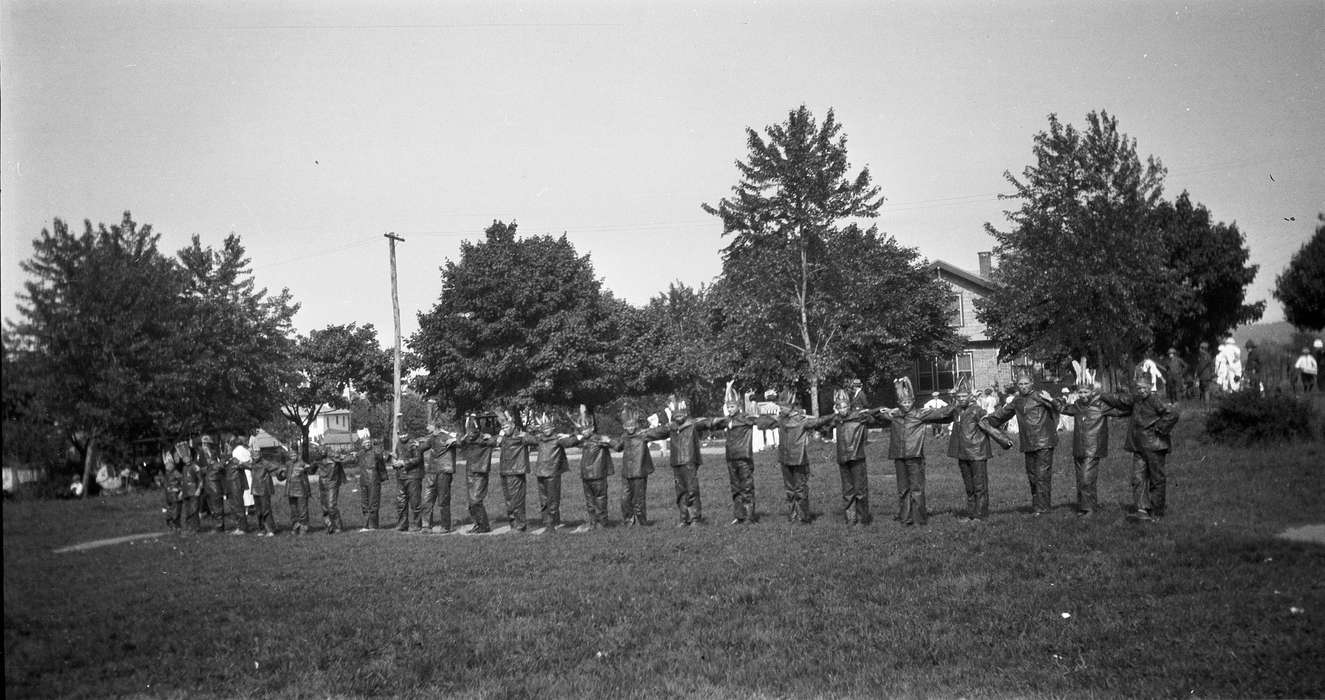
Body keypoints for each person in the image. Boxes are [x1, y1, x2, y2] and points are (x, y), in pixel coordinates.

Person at [1100, 374, 1181, 521]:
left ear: (1150, 387)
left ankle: (1157, 511)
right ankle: (1142, 509)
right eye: (1139, 388)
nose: (1141, 390)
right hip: (1138, 446)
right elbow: (1119, 400)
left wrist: (1160, 428)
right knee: (1138, 478)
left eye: (1144, 388)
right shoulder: (1136, 399)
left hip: (1155, 446)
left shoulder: (1155, 400)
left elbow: (1173, 413)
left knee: (1157, 479)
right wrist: (1101, 395)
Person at [876, 377, 952, 526]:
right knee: (903, 489)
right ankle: (905, 517)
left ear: (913, 401)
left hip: (915, 456)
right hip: (899, 456)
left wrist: (958, 403)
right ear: (899, 403)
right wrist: (890, 410)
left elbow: (942, 413)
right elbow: (877, 415)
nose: (906, 405)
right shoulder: (895, 415)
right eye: (903, 402)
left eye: (909, 402)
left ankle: (919, 518)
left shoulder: (919, 414)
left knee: (917, 488)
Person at [987, 366, 1061, 517]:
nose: (1023, 386)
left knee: (1042, 476)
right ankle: (1037, 506)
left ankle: (1043, 509)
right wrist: (984, 420)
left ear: (1032, 383)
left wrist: (1052, 400)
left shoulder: (1040, 396)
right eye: (1020, 384)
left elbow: (1059, 407)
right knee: (1032, 476)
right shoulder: (1017, 400)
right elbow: (1002, 414)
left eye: (1026, 383)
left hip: (1044, 442)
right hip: (1028, 443)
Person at [937, 377, 1012, 522]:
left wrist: (1003, 440)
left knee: (979, 486)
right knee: (969, 486)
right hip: (962, 453)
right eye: (958, 396)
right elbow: (940, 414)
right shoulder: (956, 410)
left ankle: (980, 515)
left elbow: (987, 426)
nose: (961, 399)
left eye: (964, 396)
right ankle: (971, 513)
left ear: (970, 396)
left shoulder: (977, 411)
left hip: (977, 452)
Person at [763, 390, 833, 524]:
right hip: (785, 459)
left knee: (800, 489)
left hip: (799, 459)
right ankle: (793, 515)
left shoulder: (801, 420)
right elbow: (763, 422)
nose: (781, 409)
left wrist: (833, 416)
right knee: (789, 490)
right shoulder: (781, 420)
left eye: (783, 407)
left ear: (790, 407)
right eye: (780, 407)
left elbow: (818, 422)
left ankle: (803, 517)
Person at [1059, 364, 1120, 517]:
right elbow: (1064, 408)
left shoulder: (1101, 405)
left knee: (1087, 479)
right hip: (1079, 447)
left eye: (1086, 391)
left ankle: (1089, 509)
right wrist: (1049, 400)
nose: (1083, 395)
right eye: (1080, 392)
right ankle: (1084, 506)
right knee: (1081, 479)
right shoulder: (1078, 405)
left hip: (1093, 448)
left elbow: (1121, 409)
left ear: (1092, 391)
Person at [644, 397, 714, 527]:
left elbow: (709, 422)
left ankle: (695, 518)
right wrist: (639, 435)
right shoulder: (671, 427)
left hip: (689, 461)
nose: (679, 417)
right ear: (673, 416)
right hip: (677, 462)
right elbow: (655, 433)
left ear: (686, 414)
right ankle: (684, 518)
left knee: (692, 489)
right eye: (676, 415)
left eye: (681, 414)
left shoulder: (692, 424)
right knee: (680, 491)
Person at [707, 382, 761, 525]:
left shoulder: (744, 418)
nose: (730, 409)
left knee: (746, 487)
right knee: (735, 488)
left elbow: (760, 420)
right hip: (731, 459)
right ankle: (739, 515)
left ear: (738, 406)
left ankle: (749, 516)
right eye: (728, 407)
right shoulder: (727, 421)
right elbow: (711, 423)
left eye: (732, 406)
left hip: (744, 459)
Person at [530, 414, 582, 532]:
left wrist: (571, 435)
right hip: (540, 473)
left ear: (552, 428)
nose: (546, 430)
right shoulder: (540, 439)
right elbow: (527, 438)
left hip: (552, 473)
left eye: (548, 428)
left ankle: (551, 525)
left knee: (552, 500)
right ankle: (548, 522)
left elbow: (572, 442)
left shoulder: (558, 439)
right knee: (543, 500)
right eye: (544, 428)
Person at [611, 408, 655, 526]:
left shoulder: (642, 435)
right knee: (625, 499)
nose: (630, 428)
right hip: (626, 473)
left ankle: (642, 522)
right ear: (624, 426)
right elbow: (617, 447)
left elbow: (657, 433)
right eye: (627, 426)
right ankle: (629, 521)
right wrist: (606, 440)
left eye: (632, 425)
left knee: (638, 499)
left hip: (639, 471)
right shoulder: (624, 436)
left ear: (636, 425)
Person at [575, 407, 614, 530]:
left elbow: (617, 445)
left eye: (586, 429)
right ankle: (593, 523)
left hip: (597, 475)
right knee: (590, 502)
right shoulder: (583, 440)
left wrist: (609, 440)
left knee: (600, 499)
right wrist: (575, 436)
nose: (584, 432)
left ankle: (602, 523)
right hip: (585, 475)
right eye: (582, 430)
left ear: (592, 428)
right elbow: (567, 442)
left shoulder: (598, 439)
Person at [458, 414, 497, 534]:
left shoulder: (484, 439)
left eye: (472, 431)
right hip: (470, 471)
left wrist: (491, 436)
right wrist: (463, 437)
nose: (470, 434)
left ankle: (484, 526)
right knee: (471, 502)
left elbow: (495, 441)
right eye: (469, 431)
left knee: (476, 500)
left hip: (480, 471)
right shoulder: (467, 439)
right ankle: (478, 524)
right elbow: (459, 443)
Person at [495, 411, 532, 532]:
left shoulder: (520, 436)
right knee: (509, 502)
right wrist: (500, 436)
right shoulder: (504, 438)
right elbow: (494, 442)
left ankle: (520, 526)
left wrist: (526, 435)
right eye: (503, 427)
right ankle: (513, 525)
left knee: (517, 501)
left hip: (516, 472)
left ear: (512, 426)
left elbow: (534, 439)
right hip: (505, 472)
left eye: (507, 427)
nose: (505, 429)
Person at [421, 426, 458, 533]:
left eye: (429, 425)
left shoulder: (447, 436)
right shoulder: (431, 438)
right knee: (427, 499)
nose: (427, 427)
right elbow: (422, 447)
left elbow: (462, 442)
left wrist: (454, 439)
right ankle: (426, 525)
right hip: (432, 471)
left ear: (436, 426)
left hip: (444, 471)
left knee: (443, 499)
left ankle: (445, 526)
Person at [309, 439, 347, 534]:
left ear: (326, 450)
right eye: (319, 450)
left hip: (332, 483)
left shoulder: (334, 458)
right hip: (322, 484)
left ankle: (338, 526)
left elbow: (346, 459)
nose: (321, 452)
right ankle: (329, 526)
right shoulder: (318, 460)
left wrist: (352, 456)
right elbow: (310, 471)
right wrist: (308, 465)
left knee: (331, 506)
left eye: (323, 450)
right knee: (325, 507)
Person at [392, 435, 426, 532]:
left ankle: (417, 524)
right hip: (401, 476)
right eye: (401, 434)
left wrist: (403, 462)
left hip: (413, 476)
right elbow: (398, 457)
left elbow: (417, 459)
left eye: (405, 434)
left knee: (415, 502)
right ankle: (402, 524)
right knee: (401, 502)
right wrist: (395, 461)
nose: (403, 436)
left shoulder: (413, 443)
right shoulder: (398, 443)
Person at [355, 436, 388, 531]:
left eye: (369, 442)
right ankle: (366, 524)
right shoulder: (360, 454)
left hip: (374, 480)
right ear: (362, 444)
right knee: (364, 503)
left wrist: (379, 447)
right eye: (365, 442)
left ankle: (373, 525)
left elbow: (382, 458)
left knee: (373, 503)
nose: (367, 444)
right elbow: (351, 460)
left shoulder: (376, 452)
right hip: (364, 481)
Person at [282, 441, 312, 535]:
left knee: (302, 510)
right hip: (291, 490)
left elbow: (310, 469)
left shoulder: (302, 463)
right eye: (291, 454)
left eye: (294, 454)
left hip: (301, 490)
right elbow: (283, 475)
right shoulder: (288, 464)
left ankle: (304, 526)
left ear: (298, 454)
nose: (292, 456)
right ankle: (296, 526)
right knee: (293, 510)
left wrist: (307, 468)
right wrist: (281, 473)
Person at [248, 444, 279, 536]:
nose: (255, 455)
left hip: (264, 490)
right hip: (255, 490)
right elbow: (245, 465)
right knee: (258, 511)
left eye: (257, 453)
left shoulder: (265, 463)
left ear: (260, 454)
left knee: (266, 509)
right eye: (254, 454)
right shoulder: (253, 464)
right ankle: (262, 529)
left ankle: (270, 529)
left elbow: (276, 467)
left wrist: (281, 473)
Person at [222, 436, 251, 534]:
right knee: (233, 506)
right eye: (226, 447)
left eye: (229, 446)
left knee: (238, 505)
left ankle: (242, 527)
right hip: (230, 485)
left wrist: (240, 463)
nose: (227, 448)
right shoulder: (227, 459)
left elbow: (247, 465)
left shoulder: (235, 458)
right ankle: (238, 526)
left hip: (237, 484)